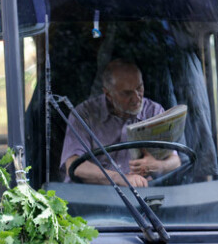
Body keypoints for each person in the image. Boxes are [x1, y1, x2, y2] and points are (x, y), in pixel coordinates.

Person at [60, 59, 181, 187]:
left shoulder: (154, 112)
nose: (136, 98)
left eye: (139, 88)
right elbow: (74, 165)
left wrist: (156, 166)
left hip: (140, 196)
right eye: (126, 93)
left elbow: (175, 161)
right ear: (108, 94)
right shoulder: (85, 115)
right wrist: (119, 178)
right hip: (92, 195)